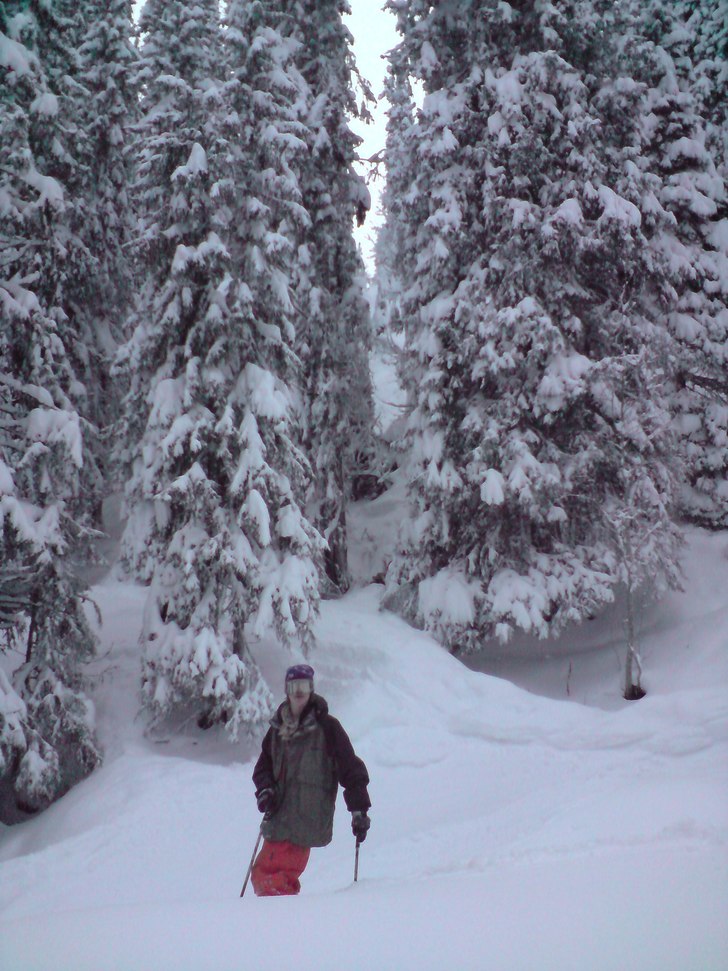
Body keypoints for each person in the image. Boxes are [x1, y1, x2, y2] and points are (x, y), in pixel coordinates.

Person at [250, 663, 371, 896]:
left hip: (306, 819)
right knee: (265, 876)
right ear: (287, 689)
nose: (298, 692)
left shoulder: (327, 728)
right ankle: (281, 922)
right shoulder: (277, 730)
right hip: (278, 817)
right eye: (294, 686)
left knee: (271, 877)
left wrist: (359, 809)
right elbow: (262, 767)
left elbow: (351, 769)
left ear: (311, 689)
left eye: (304, 686)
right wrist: (265, 789)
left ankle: (281, 923)